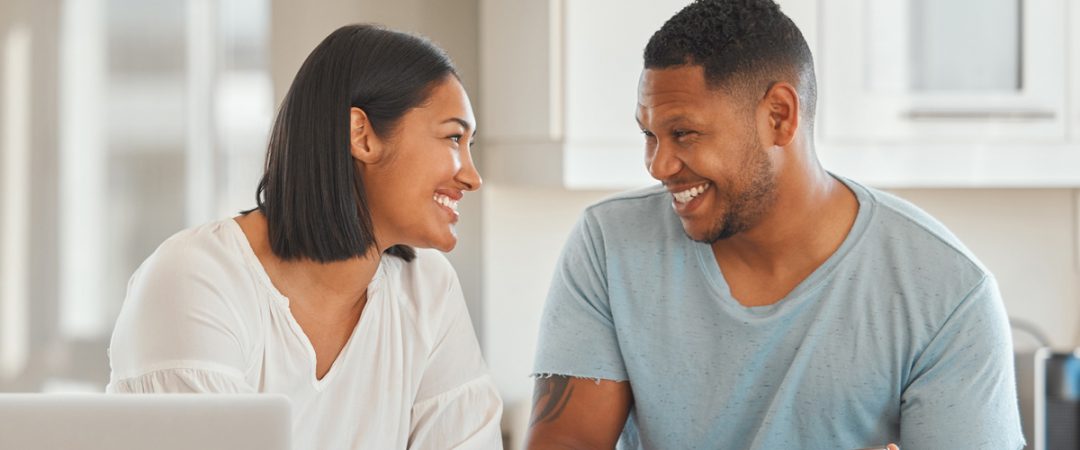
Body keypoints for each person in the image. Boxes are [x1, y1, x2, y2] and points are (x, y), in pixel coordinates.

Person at [526, 1, 1023, 449]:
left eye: (683, 133)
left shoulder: (949, 293)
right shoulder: (610, 246)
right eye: (649, 135)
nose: (658, 166)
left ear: (779, 116)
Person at [106, 24, 503, 449]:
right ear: (361, 135)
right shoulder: (195, 278)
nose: (472, 176)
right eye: (453, 138)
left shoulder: (428, 289)